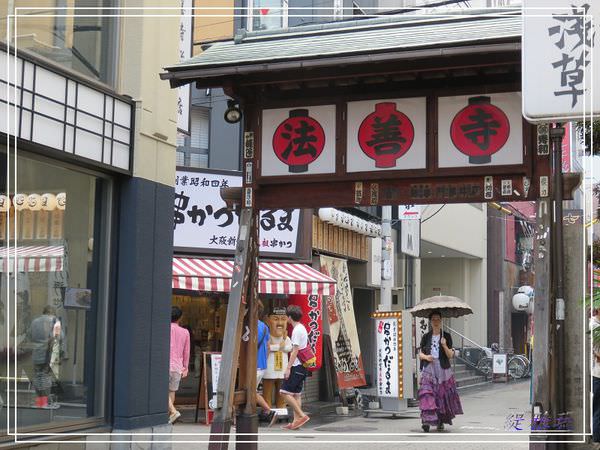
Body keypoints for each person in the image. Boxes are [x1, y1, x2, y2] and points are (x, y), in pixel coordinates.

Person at [417, 310, 463, 432]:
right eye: (433, 319)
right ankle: (426, 420)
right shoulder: (426, 336)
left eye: (438, 319)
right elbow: (420, 353)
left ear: (441, 320)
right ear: (430, 322)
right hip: (429, 367)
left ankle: (440, 421)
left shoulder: (446, 336)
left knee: (442, 395)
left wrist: (444, 345)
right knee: (427, 393)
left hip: (442, 368)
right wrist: (426, 357)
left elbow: (450, 355)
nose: (436, 321)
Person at [280, 305, 310, 430]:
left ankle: (302, 416)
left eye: (286, 316)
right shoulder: (301, 328)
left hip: (297, 366)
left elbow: (294, 351)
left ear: (290, 317)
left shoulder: (297, 330)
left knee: (284, 392)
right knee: (297, 394)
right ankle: (295, 422)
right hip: (302, 366)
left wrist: (288, 368)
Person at [28, 305, 61, 409]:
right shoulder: (55, 320)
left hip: (36, 353)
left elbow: (29, 336)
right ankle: (45, 403)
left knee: (38, 377)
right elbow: (58, 337)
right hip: (48, 353)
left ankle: (40, 402)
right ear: (52, 312)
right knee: (46, 377)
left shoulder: (34, 322)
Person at [169, 306, 190, 424]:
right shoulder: (185, 332)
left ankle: (173, 411)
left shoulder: (163, 328)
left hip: (164, 364)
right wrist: (185, 367)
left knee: (162, 390)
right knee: (172, 391)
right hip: (177, 366)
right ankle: (170, 416)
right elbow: (186, 351)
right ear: (180, 318)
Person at [256, 302, 275, 424]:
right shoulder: (264, 326)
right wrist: (263, 359)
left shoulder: (247, 325)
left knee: (250, 391)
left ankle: (268, 411)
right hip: (262, 365)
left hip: (253, 366)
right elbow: (268, 347)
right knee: (251, 391)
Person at [591, 309, 600, 444]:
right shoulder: (594, 326)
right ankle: (598, 439)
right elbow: (598, 352)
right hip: (598, 374)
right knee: (598, 409)